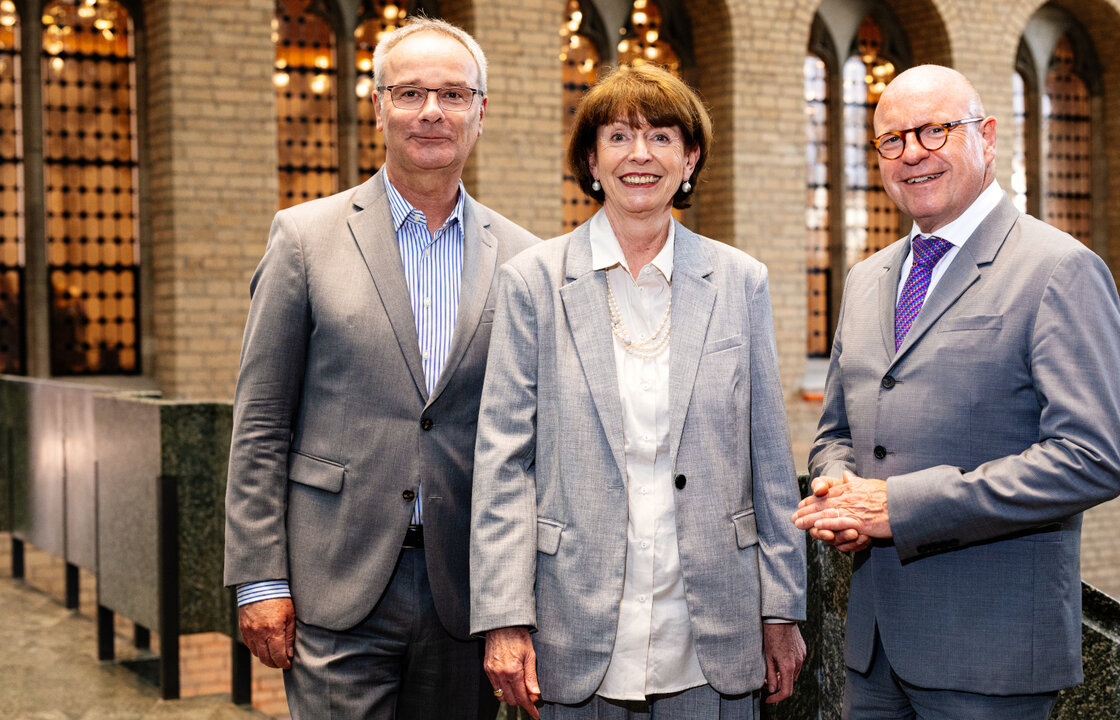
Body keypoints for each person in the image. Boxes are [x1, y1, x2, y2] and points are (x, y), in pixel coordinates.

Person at [792, 64, 1120, 719]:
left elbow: (1091, 459)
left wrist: (898, 508)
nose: (912, 153)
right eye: (892, 140)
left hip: (989, 655)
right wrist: (839, 492)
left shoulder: (1059, 269)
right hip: (873, 653)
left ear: (988, 137)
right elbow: (838, 432)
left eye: (934, 131)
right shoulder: (865, 280)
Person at [469, 63, 807, 719]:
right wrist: (504, 618)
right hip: (573, 622)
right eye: (619, 137)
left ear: (690, 158)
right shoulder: (532, 282)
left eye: (661, 137)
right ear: (591, 161)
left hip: (713, 625)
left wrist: (782, 609)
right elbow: (503, 463)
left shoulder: (741, 281)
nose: (640, 155)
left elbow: (769, 460)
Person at [223, 17, 538, 718]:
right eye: (411, 93)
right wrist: (259, 580)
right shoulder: (304, 239)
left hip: (466, 591)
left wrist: (518, 600)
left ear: (481, 112)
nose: (432, 111)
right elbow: (262, 422)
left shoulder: (525, 259)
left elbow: (529, 442)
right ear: (378, 107)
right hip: (334, 581)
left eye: (453, 95)